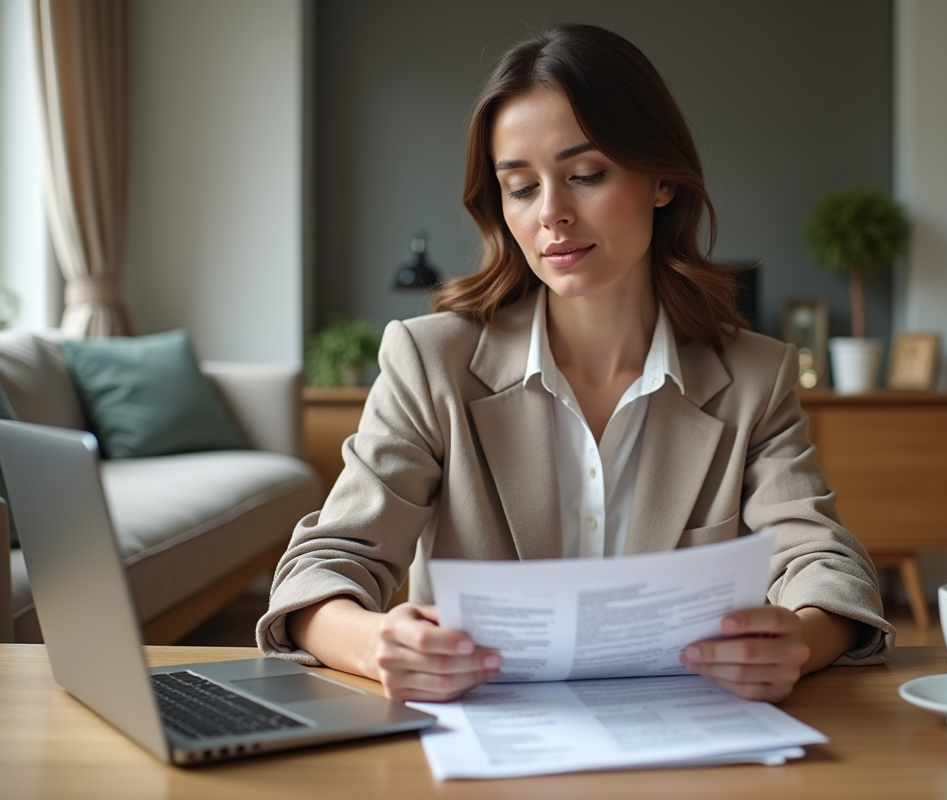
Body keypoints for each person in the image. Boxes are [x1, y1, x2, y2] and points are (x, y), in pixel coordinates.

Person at [257, 23, 893, 704]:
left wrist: (801, 640)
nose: (552, 214)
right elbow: (321, 569)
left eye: (586, 175)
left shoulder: (754, 378)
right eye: (520, 187)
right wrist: (375, 644)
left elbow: (825, 563)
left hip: (683, 732)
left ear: (661, 180)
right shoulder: (430, 362)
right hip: (483, 733)